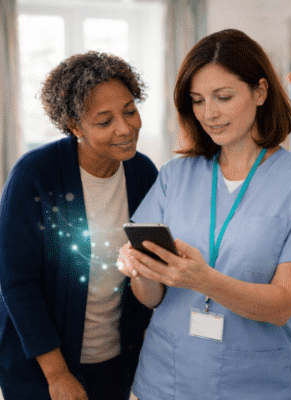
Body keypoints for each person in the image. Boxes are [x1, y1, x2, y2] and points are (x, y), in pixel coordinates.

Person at [117, 29, 291, 399]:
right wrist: (138, 270)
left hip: (257, 381)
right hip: (168, 378)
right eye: (198, 100)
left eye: (223, 97)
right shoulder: (175, 176)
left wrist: (203, 279)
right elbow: (150, 297)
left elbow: (282, 305)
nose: (210, 113)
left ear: (259, 92)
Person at [0, 51, 158, 400]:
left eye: (130, 111)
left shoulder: (143, 173)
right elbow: (16, 282)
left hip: (116, 359)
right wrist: (57, 375)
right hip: (42, 367)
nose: (125, 128)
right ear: (75, 126)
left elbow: (149, 267)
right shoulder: (34, 175)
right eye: (104, 121)